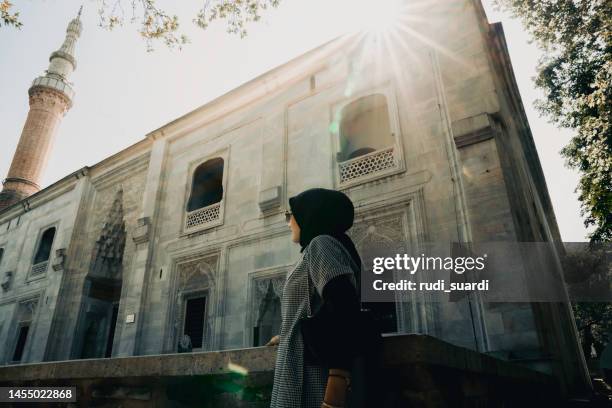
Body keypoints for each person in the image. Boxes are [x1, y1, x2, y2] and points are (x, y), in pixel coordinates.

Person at [267, 188, 364, 408]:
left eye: (291, 214)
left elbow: (344, 308)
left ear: (310, 214)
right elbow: (319, 309)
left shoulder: (321, 244)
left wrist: (336, 385)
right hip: (303, 369)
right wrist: (288, 333)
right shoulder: (327, 246)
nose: (289, 222)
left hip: (313, 380)